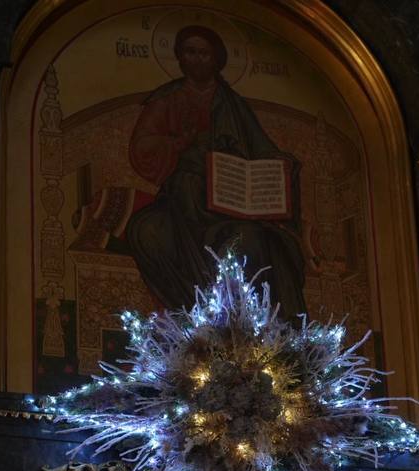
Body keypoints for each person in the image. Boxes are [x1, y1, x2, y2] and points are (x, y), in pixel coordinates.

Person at [125, 25, 305, 317]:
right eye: (190, 52)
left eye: (204, 53)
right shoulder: (166, 99)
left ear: (216, 59)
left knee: (250, 242)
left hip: (229, 206)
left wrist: (283, 166)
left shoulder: (234, 105)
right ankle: (190, 315)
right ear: (180, 57)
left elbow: (262, 150)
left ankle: (239, 322)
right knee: (146, 231)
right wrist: (176, 143)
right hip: (182, 201)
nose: (196, 59)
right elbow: (142, 147)